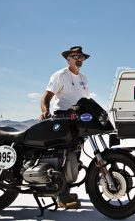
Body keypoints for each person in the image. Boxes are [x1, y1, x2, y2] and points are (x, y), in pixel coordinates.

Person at [39, 46, 90, 209]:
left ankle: (65, 191)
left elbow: (85, 100)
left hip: (78, 119)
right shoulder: (60, 75)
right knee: (63, 156)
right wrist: (45, 111)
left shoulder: (83, 78)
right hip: (62, 118)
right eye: (75, 56)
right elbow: (46, 96)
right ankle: (61, 196)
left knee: (75, 157)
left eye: (81, 57)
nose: (79, 59)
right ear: (68, 59)